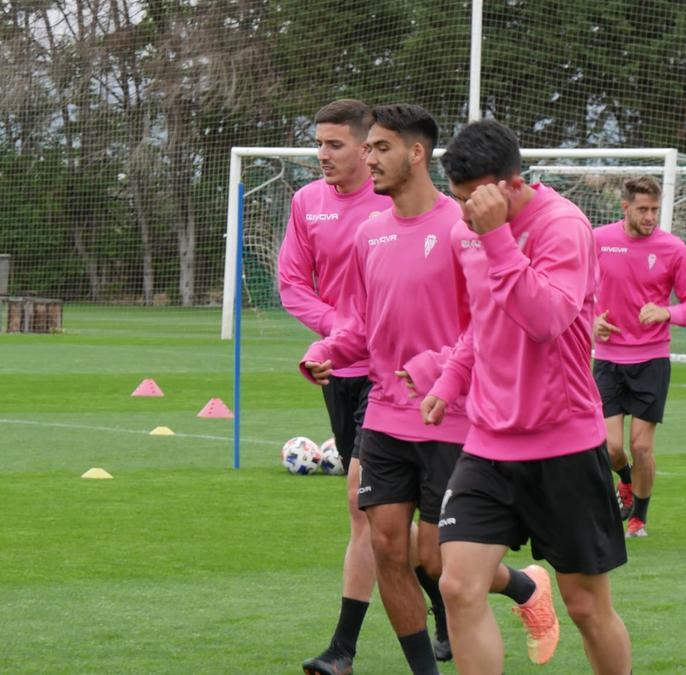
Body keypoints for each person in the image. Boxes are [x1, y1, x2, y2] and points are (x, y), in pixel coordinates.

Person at [420, 119, 631, 674]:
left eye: (474, 199)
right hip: (488, 445)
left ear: (511, 184)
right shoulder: (464, 231)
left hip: (563, 445)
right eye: (459, 199)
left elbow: (546, 320)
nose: (465, 212)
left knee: (587, 607)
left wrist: (496, 240)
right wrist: (452, 378)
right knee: (458, 587)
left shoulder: (565, 227)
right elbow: (480, 325)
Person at [301, 103, 467, 675]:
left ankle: (522, 587)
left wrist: (436, 369)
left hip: (453, 418)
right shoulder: (370, 233)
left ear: (416, 154)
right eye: (366, 148)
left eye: (380, 148)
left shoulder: (461, 228)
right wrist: (328, 351)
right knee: (387, 548)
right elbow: (361, 324)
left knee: (439, 561)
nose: (368, 158)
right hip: (386, 416)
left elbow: (487, 329)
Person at [277, 99, 393, 675]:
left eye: (334, 144)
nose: (322, 154)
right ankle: (500, 594)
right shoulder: (307, 203)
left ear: (366, 146)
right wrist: (337, 333)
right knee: (386, 521)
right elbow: (292, 283)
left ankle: (341, 650)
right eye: (318, 143)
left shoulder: (395, 199)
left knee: (362, 506)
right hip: (338, 371)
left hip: (394, 374)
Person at [592, 176, 686, 537]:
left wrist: (667, 313)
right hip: (609, 359)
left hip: (651, 360)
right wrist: (590, 319)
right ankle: (624, 480)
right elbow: (573, 288)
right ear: (625, 207)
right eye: (642, 209)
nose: (650, 217)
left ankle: (639, 517)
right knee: (610, 447)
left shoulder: (673, 249)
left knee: (640, 446)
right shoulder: (598, 241)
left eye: (655, 210)